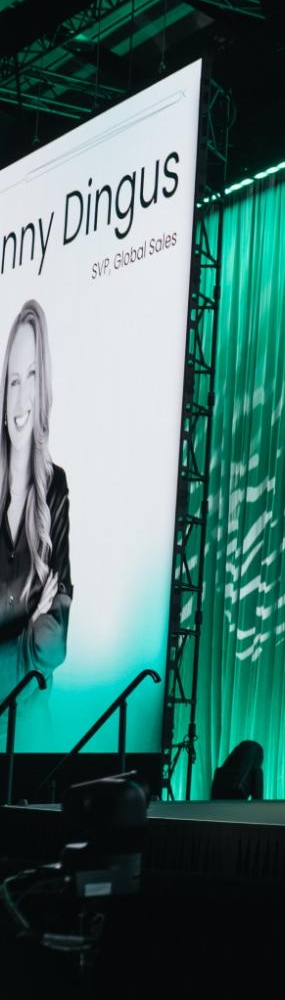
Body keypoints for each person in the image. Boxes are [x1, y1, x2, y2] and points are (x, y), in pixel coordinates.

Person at [0, 300, 71, 707]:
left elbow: (55, 645)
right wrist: (26, 637)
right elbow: (37, 644)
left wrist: (33, 637)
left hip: (28, 723)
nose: (21, 396)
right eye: (12, 381)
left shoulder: (55, 489)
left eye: (31, 376)